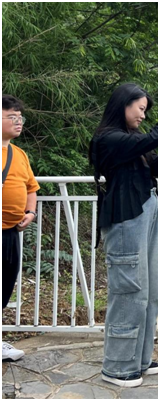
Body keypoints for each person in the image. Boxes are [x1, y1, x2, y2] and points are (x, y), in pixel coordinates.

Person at [89, 83, 158, 388]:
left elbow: (157, 167)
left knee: (149, 294)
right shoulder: (108, 138)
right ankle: (117, 366)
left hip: (144, 211)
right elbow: (155, 136)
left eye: (146, 110)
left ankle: (139, 359)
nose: (143, 115)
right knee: (129, 291)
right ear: (123, 105)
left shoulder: (133, 139)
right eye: (140, 108)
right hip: (125, 217)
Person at [2, 95, 40, 362]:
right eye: (11, 117)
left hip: (11, 232)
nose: (19, 122)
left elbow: (31, 187)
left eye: (20, 117)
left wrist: (31, 212)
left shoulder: (19, 154)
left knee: (5, 282)